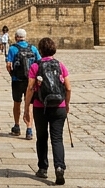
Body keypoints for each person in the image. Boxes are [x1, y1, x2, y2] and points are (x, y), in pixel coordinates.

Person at [24, 37, 70, 185]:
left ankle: (43, 168)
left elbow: (30, 89)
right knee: (57, 139)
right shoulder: (60, 65)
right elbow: (68, 88)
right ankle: (59, 167)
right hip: (59, 107)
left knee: (42, 138)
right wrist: (67, 104)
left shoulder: (35, 67)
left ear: (40, 51)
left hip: (40, 106)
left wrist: (26, 108)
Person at [6, 28, 36, 140]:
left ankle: (17, 125)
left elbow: (8, 64)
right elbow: (38, 62)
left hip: (17, 80)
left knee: (17, 103)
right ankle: (29, 129)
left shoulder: (13, 48)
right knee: (29, 104)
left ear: (16, 37)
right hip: (30, 81)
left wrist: (12, 73)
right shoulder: (33, 48)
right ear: (25, 37)